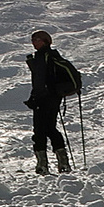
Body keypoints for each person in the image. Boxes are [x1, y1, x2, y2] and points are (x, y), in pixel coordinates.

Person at [24, 30, 82, 174]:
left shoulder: (50, 57)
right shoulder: (38, 58)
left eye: (36, 39)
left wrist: (56, 90)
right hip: (41, 98)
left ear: (45, 41)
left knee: (44, 129)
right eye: (32, 39)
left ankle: (49, 164)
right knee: (43, 129)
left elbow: (60, 76)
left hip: (49, 98)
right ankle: (55, 163)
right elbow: (39, 81)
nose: (33, 42)